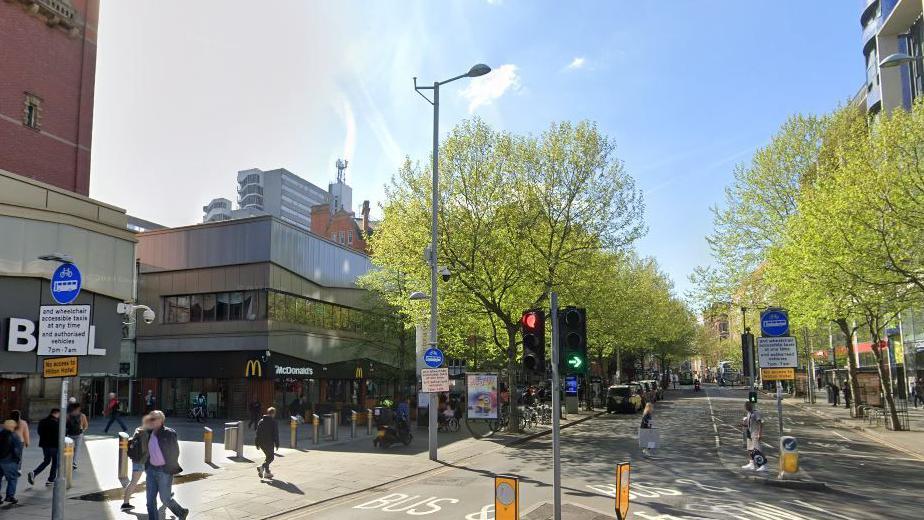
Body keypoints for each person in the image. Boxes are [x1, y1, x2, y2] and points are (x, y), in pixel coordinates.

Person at [143, 411, 188, 519]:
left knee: (165, 499)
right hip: (151, 470)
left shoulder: (169, 433)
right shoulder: (148, 432)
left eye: (155, 418)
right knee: (150, 501)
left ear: (161, 420)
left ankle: (181, 512)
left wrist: (168, 467)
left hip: (164, 471)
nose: (152, 420)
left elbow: (175, 452)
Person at [120, 415, 154, 511]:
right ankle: (165, 496)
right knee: (136, 482)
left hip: (137, 459)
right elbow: (146, 449)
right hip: (143, 461)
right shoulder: (146, 433)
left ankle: (125, 503)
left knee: (134, 482)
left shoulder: (138, 430)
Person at [27, 408, 60, 486]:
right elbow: (59, 434)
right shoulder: (56, 423)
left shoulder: (42, 421)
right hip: (54, 445)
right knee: (55, 462)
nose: (59, 416)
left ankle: (34, 473)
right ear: (56, 413)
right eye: (59, 414)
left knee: (47, 461)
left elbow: (39, 432)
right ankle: (51, 479)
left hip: (45, 445)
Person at [0, 419, 23, 504]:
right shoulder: (14, 436)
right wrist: (17, 460)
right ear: (14, 426)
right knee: (12, 478)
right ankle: (10, 496)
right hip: (9, 460)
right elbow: (17, 450)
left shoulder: (0, 433)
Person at [741, 401, 766, 472]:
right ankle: (751, 464)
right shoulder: (749, 413)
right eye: (745, 406)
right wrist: (744, 425)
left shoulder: (756, 413)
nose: (746, 408)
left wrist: (760, 434)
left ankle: (763, 465)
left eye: (747, 406)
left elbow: (761, 423)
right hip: (749, 433)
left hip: (755, 433)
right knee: (750, 449)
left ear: (750, 406)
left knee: (757, 450)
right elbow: (749, 424)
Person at [255, 407, 279, 480]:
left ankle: (267, 472)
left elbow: (257, 433)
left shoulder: (261, 421)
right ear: (273, 413)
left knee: (268, 456)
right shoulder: (273, 422)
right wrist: (277, 444)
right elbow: (275, 434)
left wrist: (257, 443)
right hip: (269, 442)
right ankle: (261, 467)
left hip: (261, 443)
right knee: (271, 457)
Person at [65, 402, 88, 471]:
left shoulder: (68, 415)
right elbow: (86, 425)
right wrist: (82, 430)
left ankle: (68, 462)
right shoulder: (82, 415)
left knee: (69, 449)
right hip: (79, 434)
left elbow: (65, 426)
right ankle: (74, 463)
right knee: (77, 449)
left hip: (69, 434)